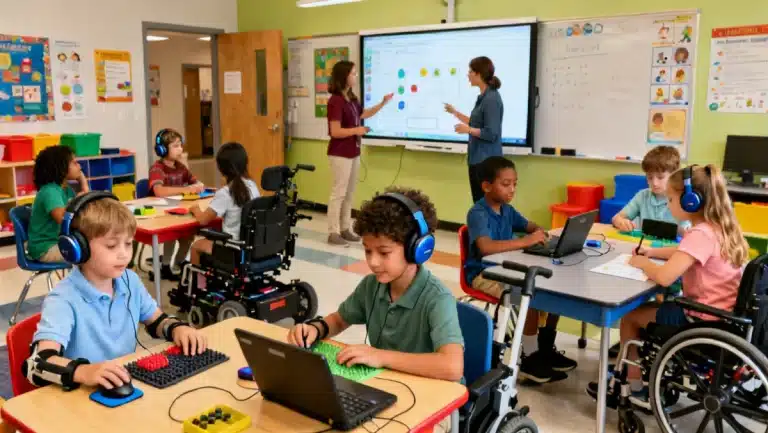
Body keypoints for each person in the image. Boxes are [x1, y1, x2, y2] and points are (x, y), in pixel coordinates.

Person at [588, 165, 749, 409]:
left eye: (672, 199)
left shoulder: (700, 234)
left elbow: (663, 278)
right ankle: (644, 368)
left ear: (691, 201)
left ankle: (634, 387)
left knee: (630, 317)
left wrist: (643, 262)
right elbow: (686, 253)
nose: (669, 203)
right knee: (651, 309)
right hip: (726, 317)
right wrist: (653, 252)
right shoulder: (719, 228)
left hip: (701, 319)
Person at [25, 192, 207, 392]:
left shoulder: (129, 281)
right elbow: (37, 365)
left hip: (121, 388)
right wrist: (85, 372)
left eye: (128, 243)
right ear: (78, 248)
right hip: (79, 399)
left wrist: (177, 328)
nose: (124, 254)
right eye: (111, 245)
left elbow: (156, 320)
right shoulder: (63, 298)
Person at [287, 187, 464, 382]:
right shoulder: (372, 285)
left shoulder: (437, 298)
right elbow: (339, 320)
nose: (373, 262)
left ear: (417, 249)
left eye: (384, 252)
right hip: (390, 383)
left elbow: (452, 367)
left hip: (433, 394)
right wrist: (316, 329)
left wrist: (381, 356)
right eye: (368, 251)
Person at [464, 156, 577, 383]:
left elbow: (528, 225)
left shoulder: (507, 210)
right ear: (486, 186)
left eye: (515, 183)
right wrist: (526, 241)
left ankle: (545, 349)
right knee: (529, 293)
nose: (512, 189)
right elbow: (485, 248)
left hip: (508, 268)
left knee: (553, 289)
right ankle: (530, 358)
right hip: (484, 274)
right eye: (506, 184)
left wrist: (539, 231)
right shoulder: (478, 213)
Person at [326, 60, 393, 246]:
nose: (355, 76)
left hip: (353, 151)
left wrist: (382, 103)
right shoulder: (336, 101)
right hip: (340, 153)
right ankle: (333, 232)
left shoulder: (352, 99)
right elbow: (335, 131)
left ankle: (345, 228)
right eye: (353, 73)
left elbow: (363, 115)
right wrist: (357, 131)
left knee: (349, 193)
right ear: (344, 76)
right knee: (338, 192)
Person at [189, 142, 259, 269]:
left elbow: (203, 220)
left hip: (232, 248)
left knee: (196, 246)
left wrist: (196, 209)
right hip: (252, 246)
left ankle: (198, 286)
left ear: (221, 169)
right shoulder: (252, 185)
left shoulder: (225, 193)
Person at [445, 56, 504, 204]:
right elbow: (475, 123)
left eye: (471, 71)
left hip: (486, 162)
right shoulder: (483, 97)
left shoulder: (492, 99)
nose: (468, 75)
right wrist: (455, 113)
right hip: (477, 160)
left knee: (485, 204)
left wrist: (469, 130)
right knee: (479, 203)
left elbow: (491, 133)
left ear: (479, 74)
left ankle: (486, 228)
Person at [148, 128, 204, 280]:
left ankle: (180, 263)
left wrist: (198, 185)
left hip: (180, 210)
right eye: (175, 146)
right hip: (163, 212)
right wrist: (186, 189)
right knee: (171, 236)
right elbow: (158, 191)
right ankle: (166, 265)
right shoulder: (157, 168)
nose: (180, 149)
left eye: (180, 145)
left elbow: (194, 181)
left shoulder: (180, 167)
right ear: (163, 149)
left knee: (189, 235)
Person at [28, 145, 90, 263]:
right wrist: (81, 194)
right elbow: (63, 219)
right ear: (60, 167)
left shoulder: (65, 189)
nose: (79, 166)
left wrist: (83, 185)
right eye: (74, 163)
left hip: (59, 242)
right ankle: (81, 281)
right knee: (92, 252)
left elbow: (86, 208)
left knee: (96, 246)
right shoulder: (50, 191)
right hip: (46, 249)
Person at [612, 145, 690, 235]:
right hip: (645, 247)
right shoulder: (642, 196)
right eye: (650, 177)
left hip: (672, 248)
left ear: (674, 175)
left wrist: (686, 232)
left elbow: (689, 231)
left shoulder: (683, 199)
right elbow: (616, 218)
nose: (655, 183)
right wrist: (621, 222)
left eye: (660, 177)